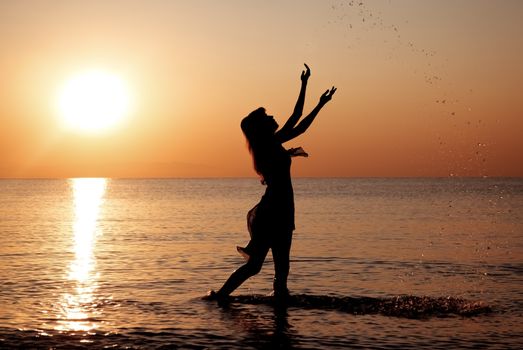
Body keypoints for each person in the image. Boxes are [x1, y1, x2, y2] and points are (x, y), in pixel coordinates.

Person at [206, 64, 336, 303]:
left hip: (283, 208)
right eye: (267, 117)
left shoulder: (273, 144)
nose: (272, 117)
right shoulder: (268, 145)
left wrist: (320, 102)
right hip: (275, 209)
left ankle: (276, 309)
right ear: (261, 127)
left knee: (281, 267)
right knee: (258, 266)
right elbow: (297, 119)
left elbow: (300, 124)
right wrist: (305, 86)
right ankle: (221, 297)